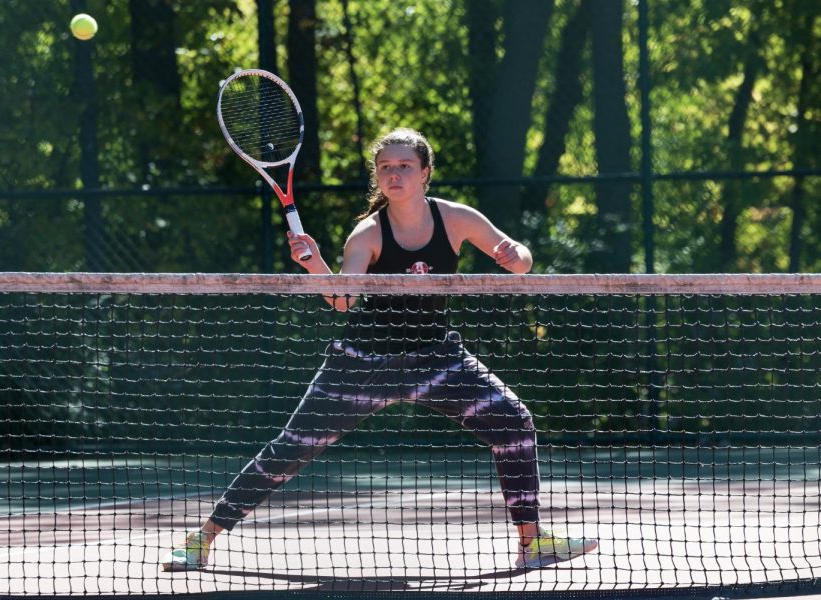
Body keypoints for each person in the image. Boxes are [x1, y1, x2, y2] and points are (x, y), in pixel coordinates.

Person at [162, 128, 597, 572]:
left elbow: (520, 260)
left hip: (435, 359)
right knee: (290, 450)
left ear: (425, 173)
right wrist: (314, 264)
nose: (395, 173)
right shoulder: (366, 234)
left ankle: (532, 542)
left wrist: (515, 256)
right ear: (377, 176)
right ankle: (203, 537)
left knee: (513, 421)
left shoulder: (457, 219)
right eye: (386, 167)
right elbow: (343, 300)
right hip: (362, 365)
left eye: (405, 165)